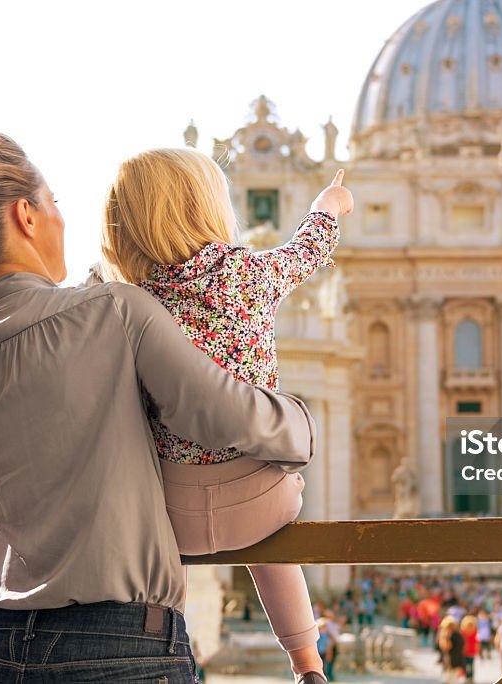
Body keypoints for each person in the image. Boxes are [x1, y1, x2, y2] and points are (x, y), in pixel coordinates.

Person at [0, 131, 315, 683]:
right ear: (26, 215)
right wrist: (302, 425)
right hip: (120, 644)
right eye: (54, 202)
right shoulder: (116, 312)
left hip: (5, 644)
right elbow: (230, 418)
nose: (62, 219)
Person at [100, 148, 352, 684]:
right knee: (273, 548)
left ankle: (163, 652)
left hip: (170, 508)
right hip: (261, 498)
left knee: (161, 559)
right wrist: (329, 204)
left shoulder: (129, 301)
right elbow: (306, 250)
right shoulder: (249, 274)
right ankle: (307, 663)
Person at [437, 617, 466, 684]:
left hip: (455, 662)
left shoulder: (456, 636)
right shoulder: (445, 635)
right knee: (447, 680)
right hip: (449, 663)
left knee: (451, 680)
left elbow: (454, 648)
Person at [459, 614, 478, 682]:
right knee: (465, 665)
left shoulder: (475, 631)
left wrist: (477, 649)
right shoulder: (462, 632)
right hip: (464, 651)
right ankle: (467, 677)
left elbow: (476, 641)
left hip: (471, 651)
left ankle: (470, 677)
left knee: (470, 665)